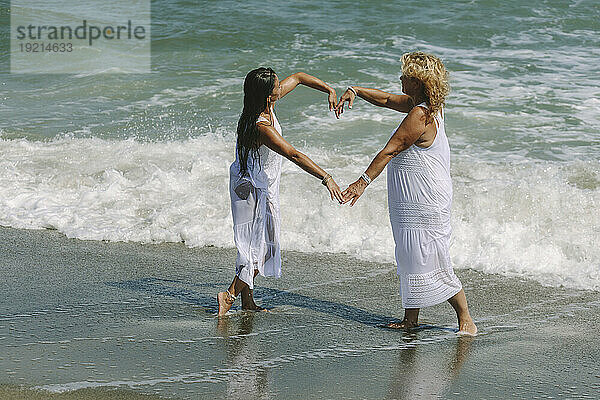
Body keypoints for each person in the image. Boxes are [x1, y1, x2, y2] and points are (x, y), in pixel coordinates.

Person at [336, 52, 477, 335]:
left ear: (418, 82)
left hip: (425, 198)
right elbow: (387, 100)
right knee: (410, 255)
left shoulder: (420, 114)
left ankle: (466, 319)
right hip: (416, 197)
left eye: (406, 76)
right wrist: (356, 90)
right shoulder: (423, 105)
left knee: (431, 257)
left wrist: (361, 182)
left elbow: (392, 148)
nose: (400, 79)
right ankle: (410, 318)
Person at [218, 67, 344, 316]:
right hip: (252, 188)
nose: (281, 88)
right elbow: (294, 154)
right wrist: (326, 177)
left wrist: (329, 89)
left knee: (252, 244)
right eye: (277, 86)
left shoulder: (262, 106)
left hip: (256, 182)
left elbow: (298, 77)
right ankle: (229, 295)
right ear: (268, 95)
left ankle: (247, 300)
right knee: (263, 248)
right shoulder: (262, 126)